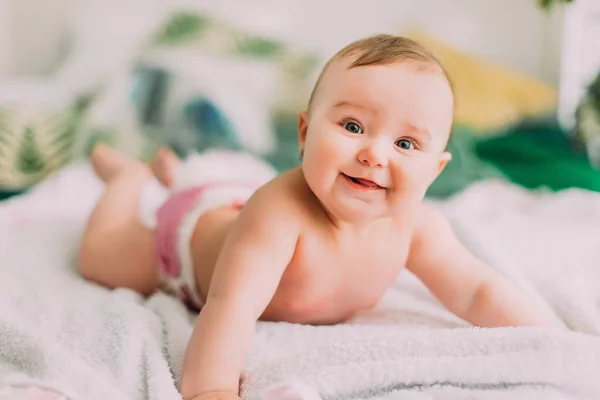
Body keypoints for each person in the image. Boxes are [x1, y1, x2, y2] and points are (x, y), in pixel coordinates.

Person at [77, 34, 560, 400]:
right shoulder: (278, 216)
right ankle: (130, 179)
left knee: (217, 190)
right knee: (99, 258)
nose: (374, 154)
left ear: (434, 170)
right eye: (352, 126)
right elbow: (230, 306)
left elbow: (478, 290)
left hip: (232, 202)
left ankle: (180, 173)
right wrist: (211, 391)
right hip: (188, 240)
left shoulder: (419, 228)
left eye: (406, 144)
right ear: (305, 132)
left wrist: (553, 343)